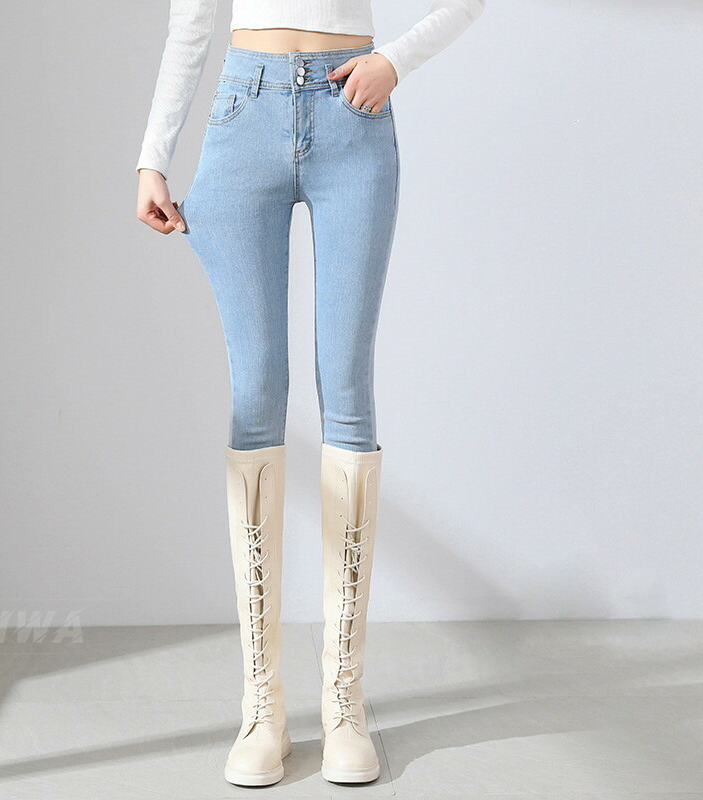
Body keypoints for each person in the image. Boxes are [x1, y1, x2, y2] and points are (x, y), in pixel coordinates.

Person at [136, 0, 485, 787]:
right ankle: (261, 705)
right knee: (256, 392)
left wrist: (395, 59)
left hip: (351, 115)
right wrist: (151, 157)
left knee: (348, 390)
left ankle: (343, 704)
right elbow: (191, 22)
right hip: (243, 112)